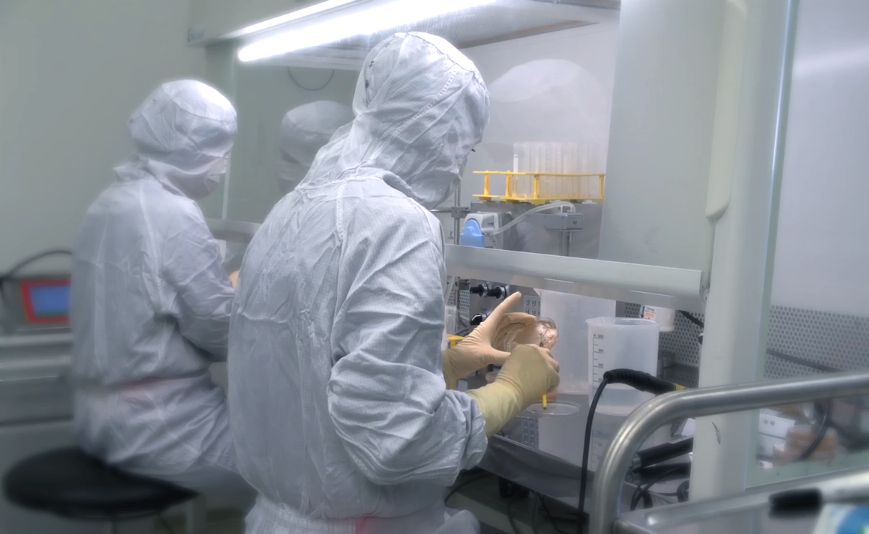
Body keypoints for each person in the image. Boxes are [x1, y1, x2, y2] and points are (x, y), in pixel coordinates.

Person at [228, 32, 559, 534]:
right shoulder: (397, 223)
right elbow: (400, 442)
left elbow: (315, 373)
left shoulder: (289, 211)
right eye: (462, 148)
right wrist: (514, 388)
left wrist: (448, 362)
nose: (457, 168)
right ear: (436, 130)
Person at [70, 80, 255, 509]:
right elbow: (221, 331)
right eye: (220, 151)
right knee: (295, 483)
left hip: (104, 416)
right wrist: (249, 291)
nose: (222, 167)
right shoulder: (169, 212)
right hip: (162, 423)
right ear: (194, 149)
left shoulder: (113, 202)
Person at [223, 100, 353, 275]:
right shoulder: (283, 213)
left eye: (288, 157)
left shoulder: (345, 226)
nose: (280, 165)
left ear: (318, 160)